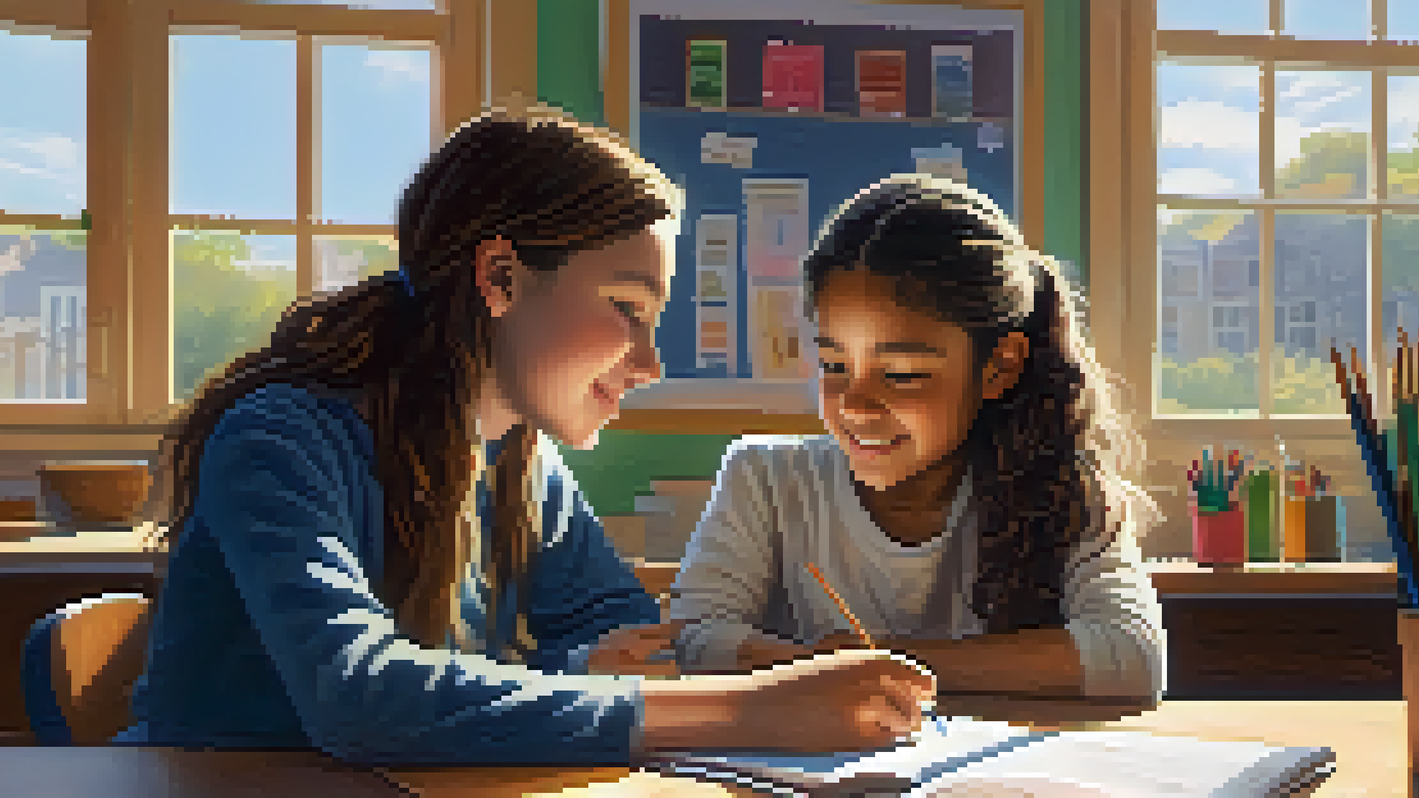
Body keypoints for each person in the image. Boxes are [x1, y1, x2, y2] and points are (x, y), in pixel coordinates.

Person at [114, 102, 935, 765]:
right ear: (500, 278)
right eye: (626, 308)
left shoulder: (521, 460)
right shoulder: (283, 437)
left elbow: (620, 636)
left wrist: (618, 667)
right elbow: (358, 695)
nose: (647, 362)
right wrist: (748, 710)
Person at [670, 175, 1166, 704]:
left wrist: (878, 662)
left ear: (1001, 366)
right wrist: (838, 669)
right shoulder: (765, 478)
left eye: (902, 373)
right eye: (835, 364)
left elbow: (1130, 656)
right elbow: (696, 640)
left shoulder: (1063, 490)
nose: (855, 405)